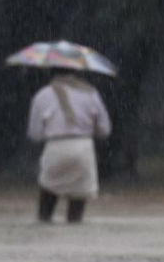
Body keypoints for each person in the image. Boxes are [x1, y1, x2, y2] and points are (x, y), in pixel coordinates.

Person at [27, 69, 111, 223]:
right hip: (83, 147)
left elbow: (35, 133)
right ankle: (75, 229)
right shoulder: (91, 93)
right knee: (79, 196)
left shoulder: (42, 95)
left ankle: (45, 222)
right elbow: (104, 129)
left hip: (55, 146)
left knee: (48, 190)